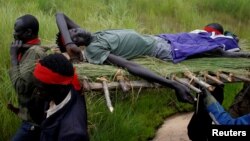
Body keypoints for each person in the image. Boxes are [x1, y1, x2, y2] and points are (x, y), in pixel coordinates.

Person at [55, 12, 196, 104]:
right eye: (76, 38)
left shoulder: (92, 37)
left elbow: (60, 15)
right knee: (213, 49)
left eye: (74, 30)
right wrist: (173, 84)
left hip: (159, 38)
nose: (78, 32)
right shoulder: (94, 49)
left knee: (206, 37)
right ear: (79, 46)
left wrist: (69, 42)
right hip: (165, 50)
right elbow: (130, 66)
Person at [8, 14, 48, 141]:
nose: (14, 34)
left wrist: (13, 57)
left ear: (28, 32)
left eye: (17, 31)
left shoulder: (34, 53)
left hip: (33, 123)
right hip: (30, 116)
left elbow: (21, 86)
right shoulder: (28, 50)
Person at [33, 53, 89, 140]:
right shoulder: (60, 93)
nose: (36, 92)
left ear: (60, 88)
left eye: (40, 89)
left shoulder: (72, 134)